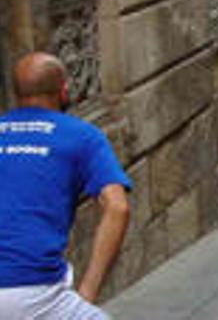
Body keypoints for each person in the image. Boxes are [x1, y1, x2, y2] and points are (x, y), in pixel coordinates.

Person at [0, 52, 131, 319]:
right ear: (64, 90)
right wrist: (87, 295)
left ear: (16, 94)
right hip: (32, 291)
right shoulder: (81, 135)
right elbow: (117, 208)